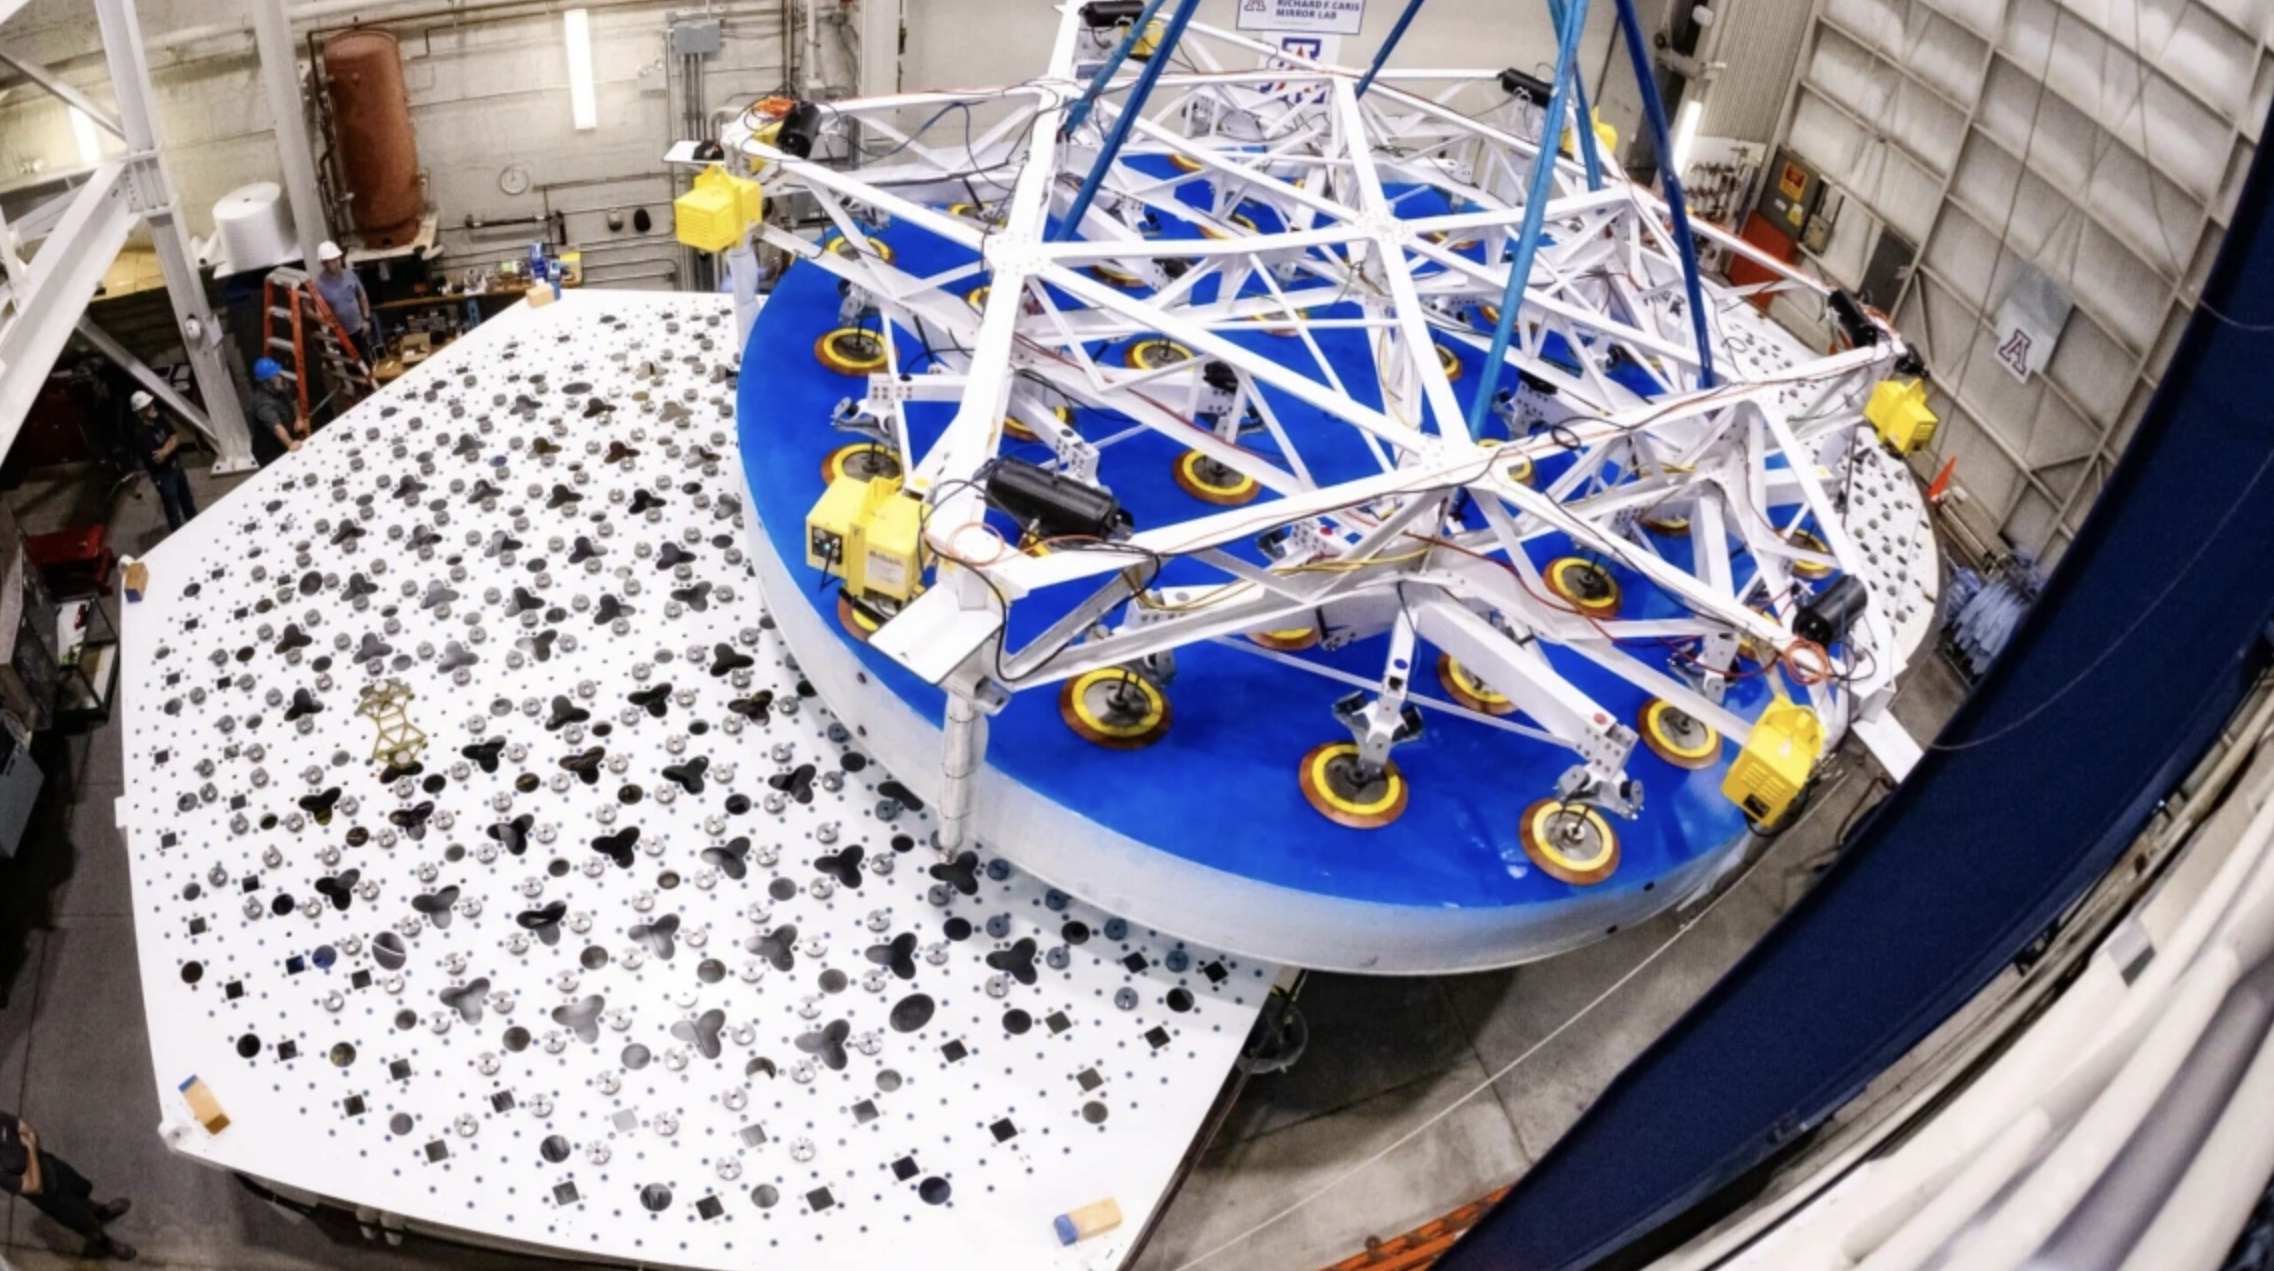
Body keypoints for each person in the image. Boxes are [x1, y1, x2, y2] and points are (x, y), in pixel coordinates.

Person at [0, 1110, 135, 1261]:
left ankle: (102, 1212)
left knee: (82, 1191)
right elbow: (35, 1187)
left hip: (54, 1166)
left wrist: (29, 1168)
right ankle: (105, 1244)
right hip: (50, 1197)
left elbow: (30, 1131)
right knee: (84, 1223)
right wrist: (31, 1150)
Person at [129, 389, 198, 531]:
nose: (153, 407)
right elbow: (158, 458)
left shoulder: (159, 418)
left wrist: (166, 449)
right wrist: (168, 447)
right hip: (164, 476)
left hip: (176, 467)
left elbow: (174, 437)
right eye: (148, 407)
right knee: (173, 511)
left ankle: (196, 529)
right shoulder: (141, 434)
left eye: (152, 404)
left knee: (188, 503)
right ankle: (178, 538)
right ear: (140, 412)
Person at [313, 240, 380, 369]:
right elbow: (307, 308)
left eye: (336, 259)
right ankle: (359, 388)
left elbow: (362, 296)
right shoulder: (319, 284)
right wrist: (324, 322)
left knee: (366, 361)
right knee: (351, 366)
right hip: (340, 332)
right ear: (323, 263)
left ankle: (372, 386)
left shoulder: (350, 274)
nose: (336, 263)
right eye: (331, 261)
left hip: (358, 328)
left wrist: (366, 319)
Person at [247, 357, 307, 466]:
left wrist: (298, 419)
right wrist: (290, 444)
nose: (279, 377)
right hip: (270, 452)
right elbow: (277, 428)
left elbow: (293, 401)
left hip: (284, 439)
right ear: (266, 382)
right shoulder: (262, 404)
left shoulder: (280, 386)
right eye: (275, 376)